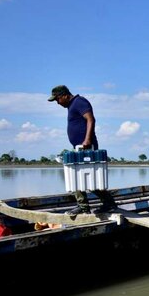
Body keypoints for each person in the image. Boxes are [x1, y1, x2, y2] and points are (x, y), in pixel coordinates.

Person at [48, 85, 116, 215]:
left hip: (86, 147)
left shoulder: (79, 102)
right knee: (78, 177)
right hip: (79, 148)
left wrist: (87, 139)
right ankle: (86, 206)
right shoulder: (71, 106)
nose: (57, 103)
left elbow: (91, 119)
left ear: (65, 95)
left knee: (88, 178)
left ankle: (100, 204)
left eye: (57, 99)